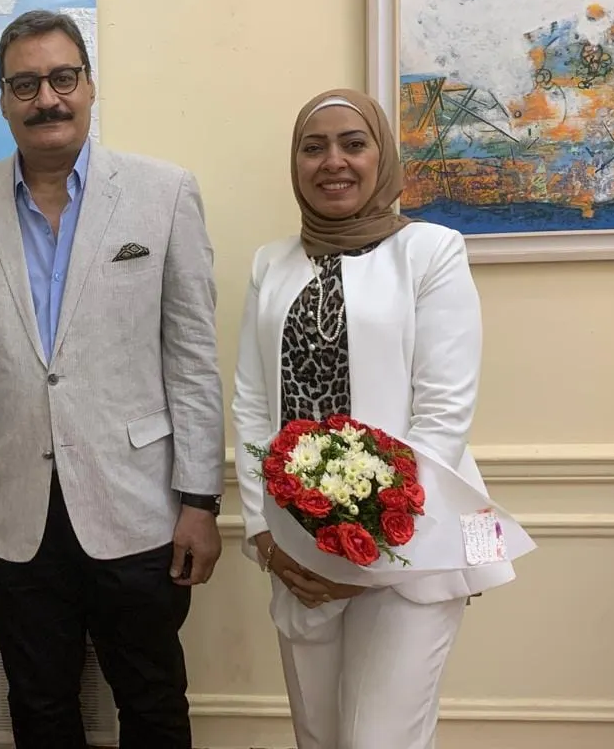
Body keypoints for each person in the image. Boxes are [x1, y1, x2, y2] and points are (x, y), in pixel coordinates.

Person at [0, 9, 225, 749]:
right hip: (11, 513)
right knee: (40, 705)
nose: (47, 99)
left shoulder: (164, 193)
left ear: (89, 85)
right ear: (3, 99)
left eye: (63, 78)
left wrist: (201, 500)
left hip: (140, 506)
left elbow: (192, 358)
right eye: (25, 84)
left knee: (152, 702)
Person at [231, 88, 516, 749]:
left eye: (353, 144)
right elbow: (251, 406)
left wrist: (364, 551)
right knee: (320, 736)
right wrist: (266, 538)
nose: (333, 161)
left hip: (407, 546)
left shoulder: (430, 251)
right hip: (297, 551)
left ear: (382, 156)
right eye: (314, 147)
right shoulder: (271, 264)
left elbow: (443, 413)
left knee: (379, 740)